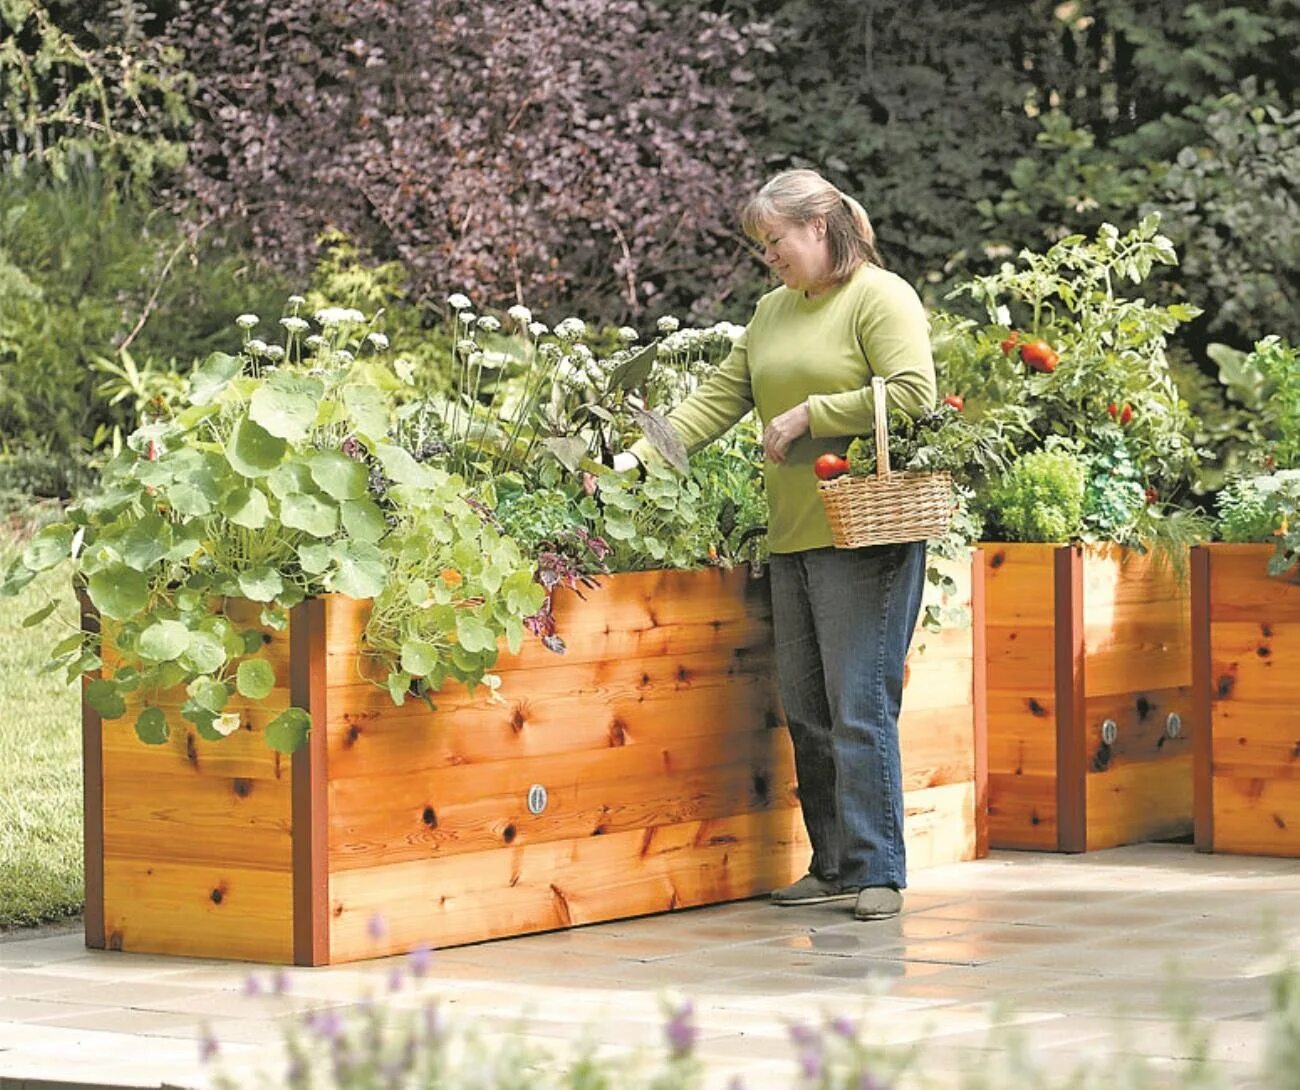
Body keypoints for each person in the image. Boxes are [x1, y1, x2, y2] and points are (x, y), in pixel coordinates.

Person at [615, 168, 936, 921]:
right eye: (762, 248)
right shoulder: (770, 312)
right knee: (806, 707)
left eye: (776, 241)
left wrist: (808, 415)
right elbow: (717, 400)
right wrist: (633, 457)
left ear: (818, 228)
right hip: (795, 534)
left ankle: (878, 869)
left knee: (858, 703)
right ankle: (831, 864)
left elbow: (915, 392)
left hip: (865, 534)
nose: (770, 258)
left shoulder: (878, 297)